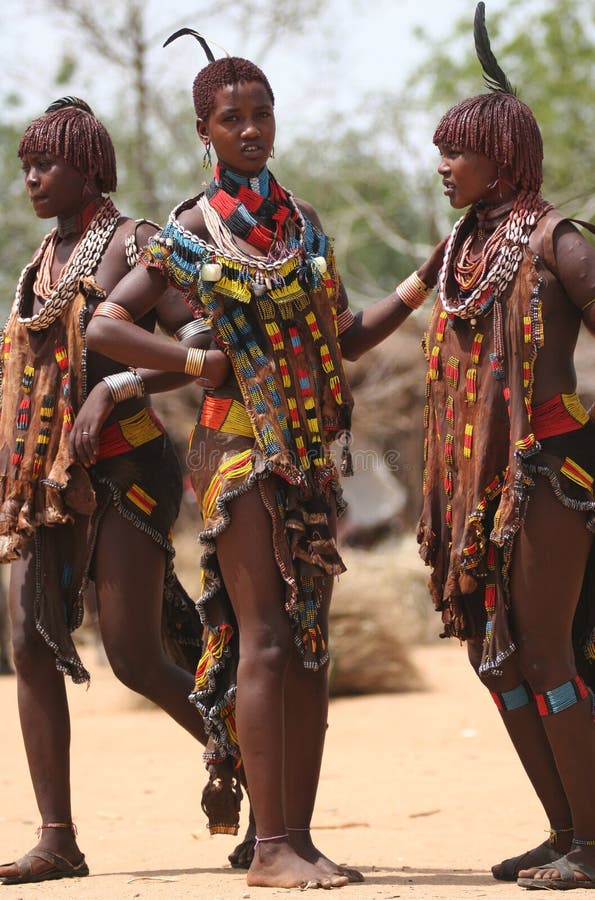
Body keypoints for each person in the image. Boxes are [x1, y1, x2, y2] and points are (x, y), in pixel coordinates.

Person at [85, 30, 445, 889]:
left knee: (312, 647)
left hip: (315, 452)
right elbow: (103, 322)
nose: (251, 129)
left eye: (261, 114)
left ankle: (295, 839)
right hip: (238, 449)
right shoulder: (189, 229)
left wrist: (422, 278)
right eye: (232, 119)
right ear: (204, 130)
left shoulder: (303, 223)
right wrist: (188, 361)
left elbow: (345, 337)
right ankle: (273, 843)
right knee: (267, 641)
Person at [0, 97, 252, 886]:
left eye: (48, 164)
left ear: (89, 167)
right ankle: (57, 838)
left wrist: (122, 387)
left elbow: (203, 340)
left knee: (136, 656)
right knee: (29, 643)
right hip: (47, 477)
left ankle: (250, 768)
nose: (34, 178)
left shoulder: (137, 243)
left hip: (128, 467)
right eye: (26, 166)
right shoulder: (41, 261)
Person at [417, 3, 595, 890]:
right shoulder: (458, 247)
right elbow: (364, 330)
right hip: (477, 486)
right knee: (498, 657)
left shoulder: (558, 240)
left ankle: (591, 844)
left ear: (503, 156)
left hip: (550, 472)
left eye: (456, 149)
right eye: (441, 149)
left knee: (547, 651)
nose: (441, 164)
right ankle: (563, 828)